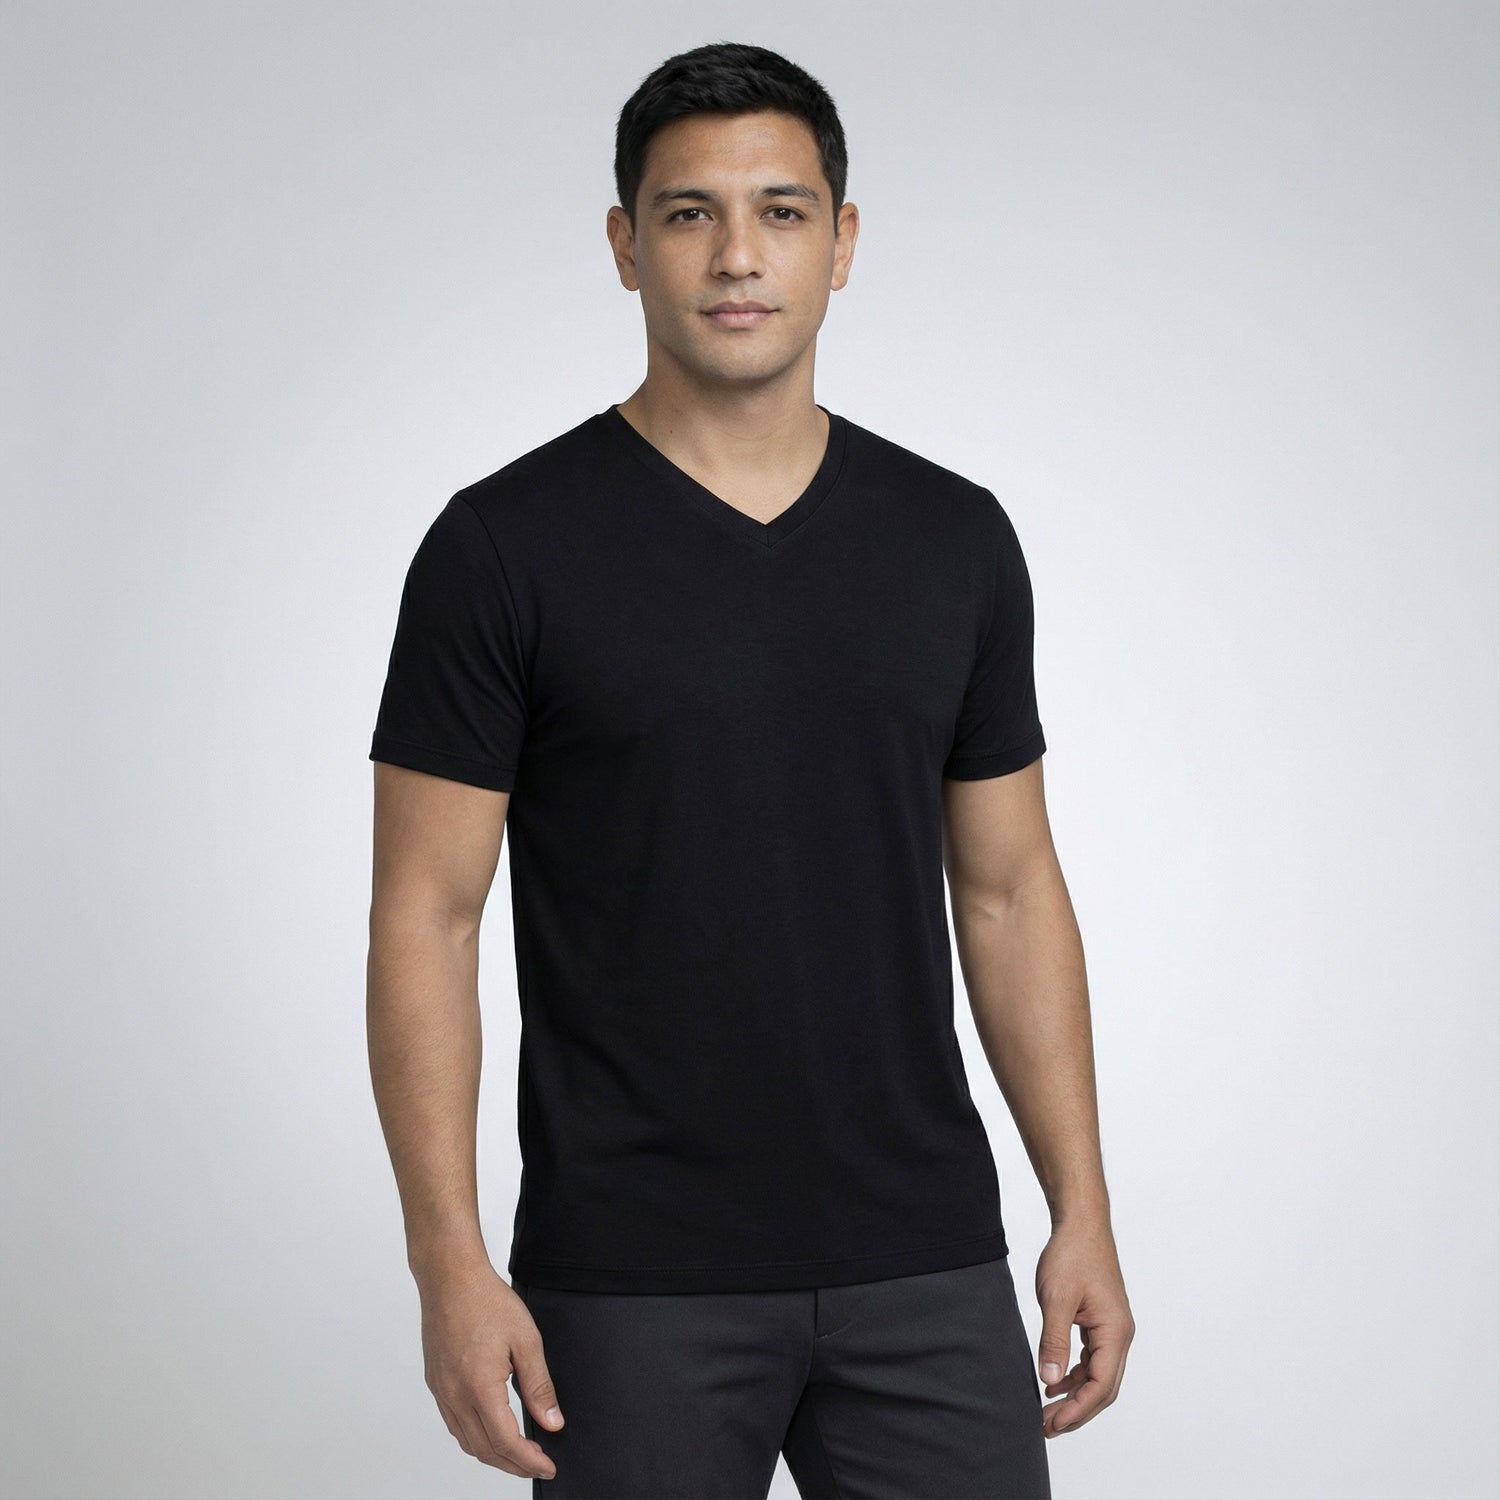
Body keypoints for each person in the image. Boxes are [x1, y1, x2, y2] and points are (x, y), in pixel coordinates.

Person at [365, 39, 1133, 1500]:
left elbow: (1011, 891)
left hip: (923, 1260)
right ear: (624, 246)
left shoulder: (954, 539)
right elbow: (427, 916)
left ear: (843, 244)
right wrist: (448, 1264)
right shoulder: (501, 548)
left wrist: (1079, 1206)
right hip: (627, 1277)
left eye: (782, 212)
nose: (737, 255)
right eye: (688, 213)